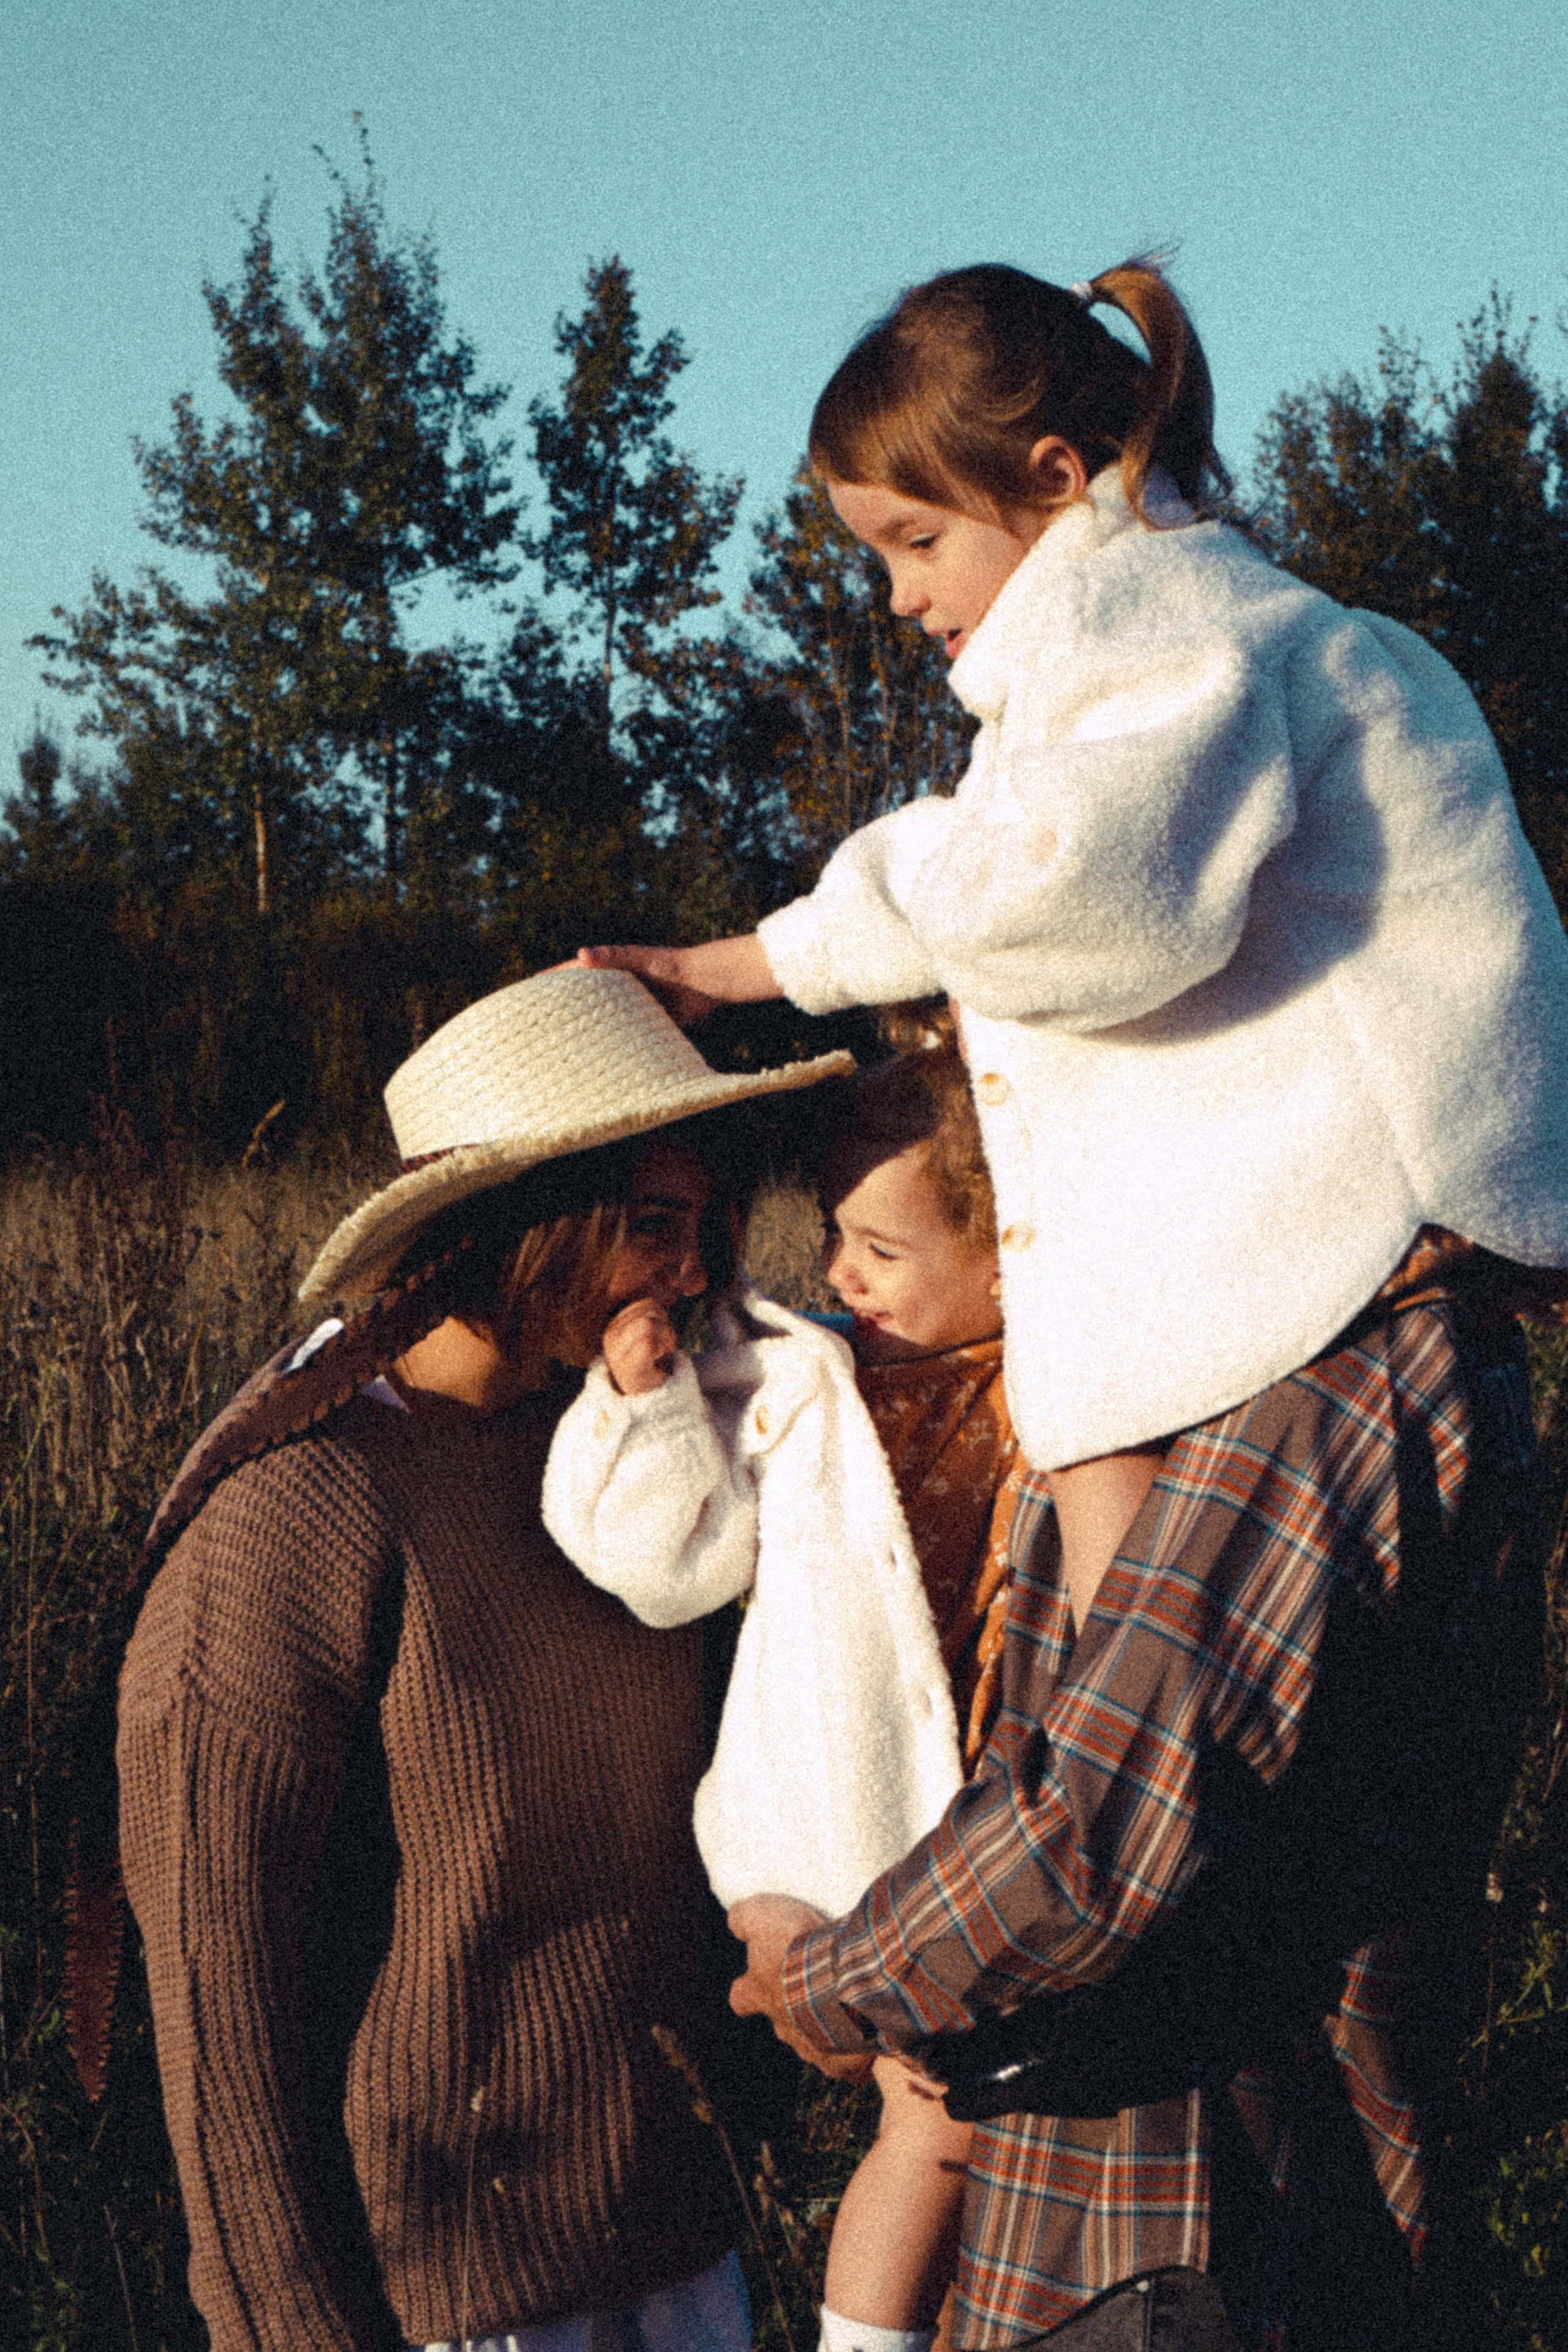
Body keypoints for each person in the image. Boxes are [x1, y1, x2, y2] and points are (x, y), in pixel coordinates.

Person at [578, 262, 1568, 2347]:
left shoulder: (1203, 643)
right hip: (1175, 2215)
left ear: (1058, 481)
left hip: (1200, 2251)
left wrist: (822, 1988)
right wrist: (753, 963)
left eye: (918, 544)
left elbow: (1068, 894)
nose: (902, 602)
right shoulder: (1150, 675)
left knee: (1167, 1814)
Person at [116, 966, 852, 2352]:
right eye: (648, 1226)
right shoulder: (300, 1508)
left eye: (702, 1227)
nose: (691, 1272)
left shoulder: (639, 1454)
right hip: (442, 2293)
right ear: (521, 1221)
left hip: (679, 2251)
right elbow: (219, 1997)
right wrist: (289, 2329)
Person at [544, 1024, 1023, 2352]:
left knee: (994, 2129)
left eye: (880, 1250)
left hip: (1003, 1814)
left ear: (1008, 1249)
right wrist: (638, 1409)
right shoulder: (800, 1374)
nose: (838, 1272)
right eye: (832, 1236)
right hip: (840, 1817)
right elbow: (658, 1565)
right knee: (934, 2119)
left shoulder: (1064, 1375)